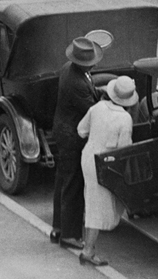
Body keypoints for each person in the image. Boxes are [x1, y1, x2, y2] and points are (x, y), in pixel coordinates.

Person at [76, 75, 138, 267]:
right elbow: (123, 149)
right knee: (97, 207)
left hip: (88, 158)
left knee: (92, 200)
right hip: (105, 163)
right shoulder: (125, 119)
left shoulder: (98, 107)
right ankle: (88, 251)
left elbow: (81, 130)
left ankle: (88, 244)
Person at [50, 37, 103, 250]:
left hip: (63, 130)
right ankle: (70, 235)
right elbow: (92, 110)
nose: (94, 65)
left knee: (63, 181)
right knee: (73, 185)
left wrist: (100, 93)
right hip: (72, 136)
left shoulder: (68, 69)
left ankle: (58, 228)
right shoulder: (77, 83)